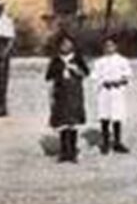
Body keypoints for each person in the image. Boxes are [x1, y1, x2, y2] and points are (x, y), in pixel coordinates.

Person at [46, 35, 89, 163]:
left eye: (69, 44)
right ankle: (64, 151)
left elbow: (86, 73)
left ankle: (72, 151)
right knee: (63, 123)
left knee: (73, 122)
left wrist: (76, 70)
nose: (66, 47)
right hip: (61, 93)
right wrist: (58, 71)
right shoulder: (56, 60)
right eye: (63, 44)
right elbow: (48, 76)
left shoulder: (77, 58)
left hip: (74, 92)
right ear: (59, 46)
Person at [92, 36, 132, 155]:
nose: (109, 48)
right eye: (107, 46)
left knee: (117, 117)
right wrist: (103, 82)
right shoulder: (99, 62)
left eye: (111, 46)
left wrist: (120, 81)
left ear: (116, 46)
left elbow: (128, 75)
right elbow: (95, 76)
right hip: (104, 91)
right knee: (104, 117)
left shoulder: (122, 60)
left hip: (117, 91)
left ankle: (117, 142)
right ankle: (105, 143)